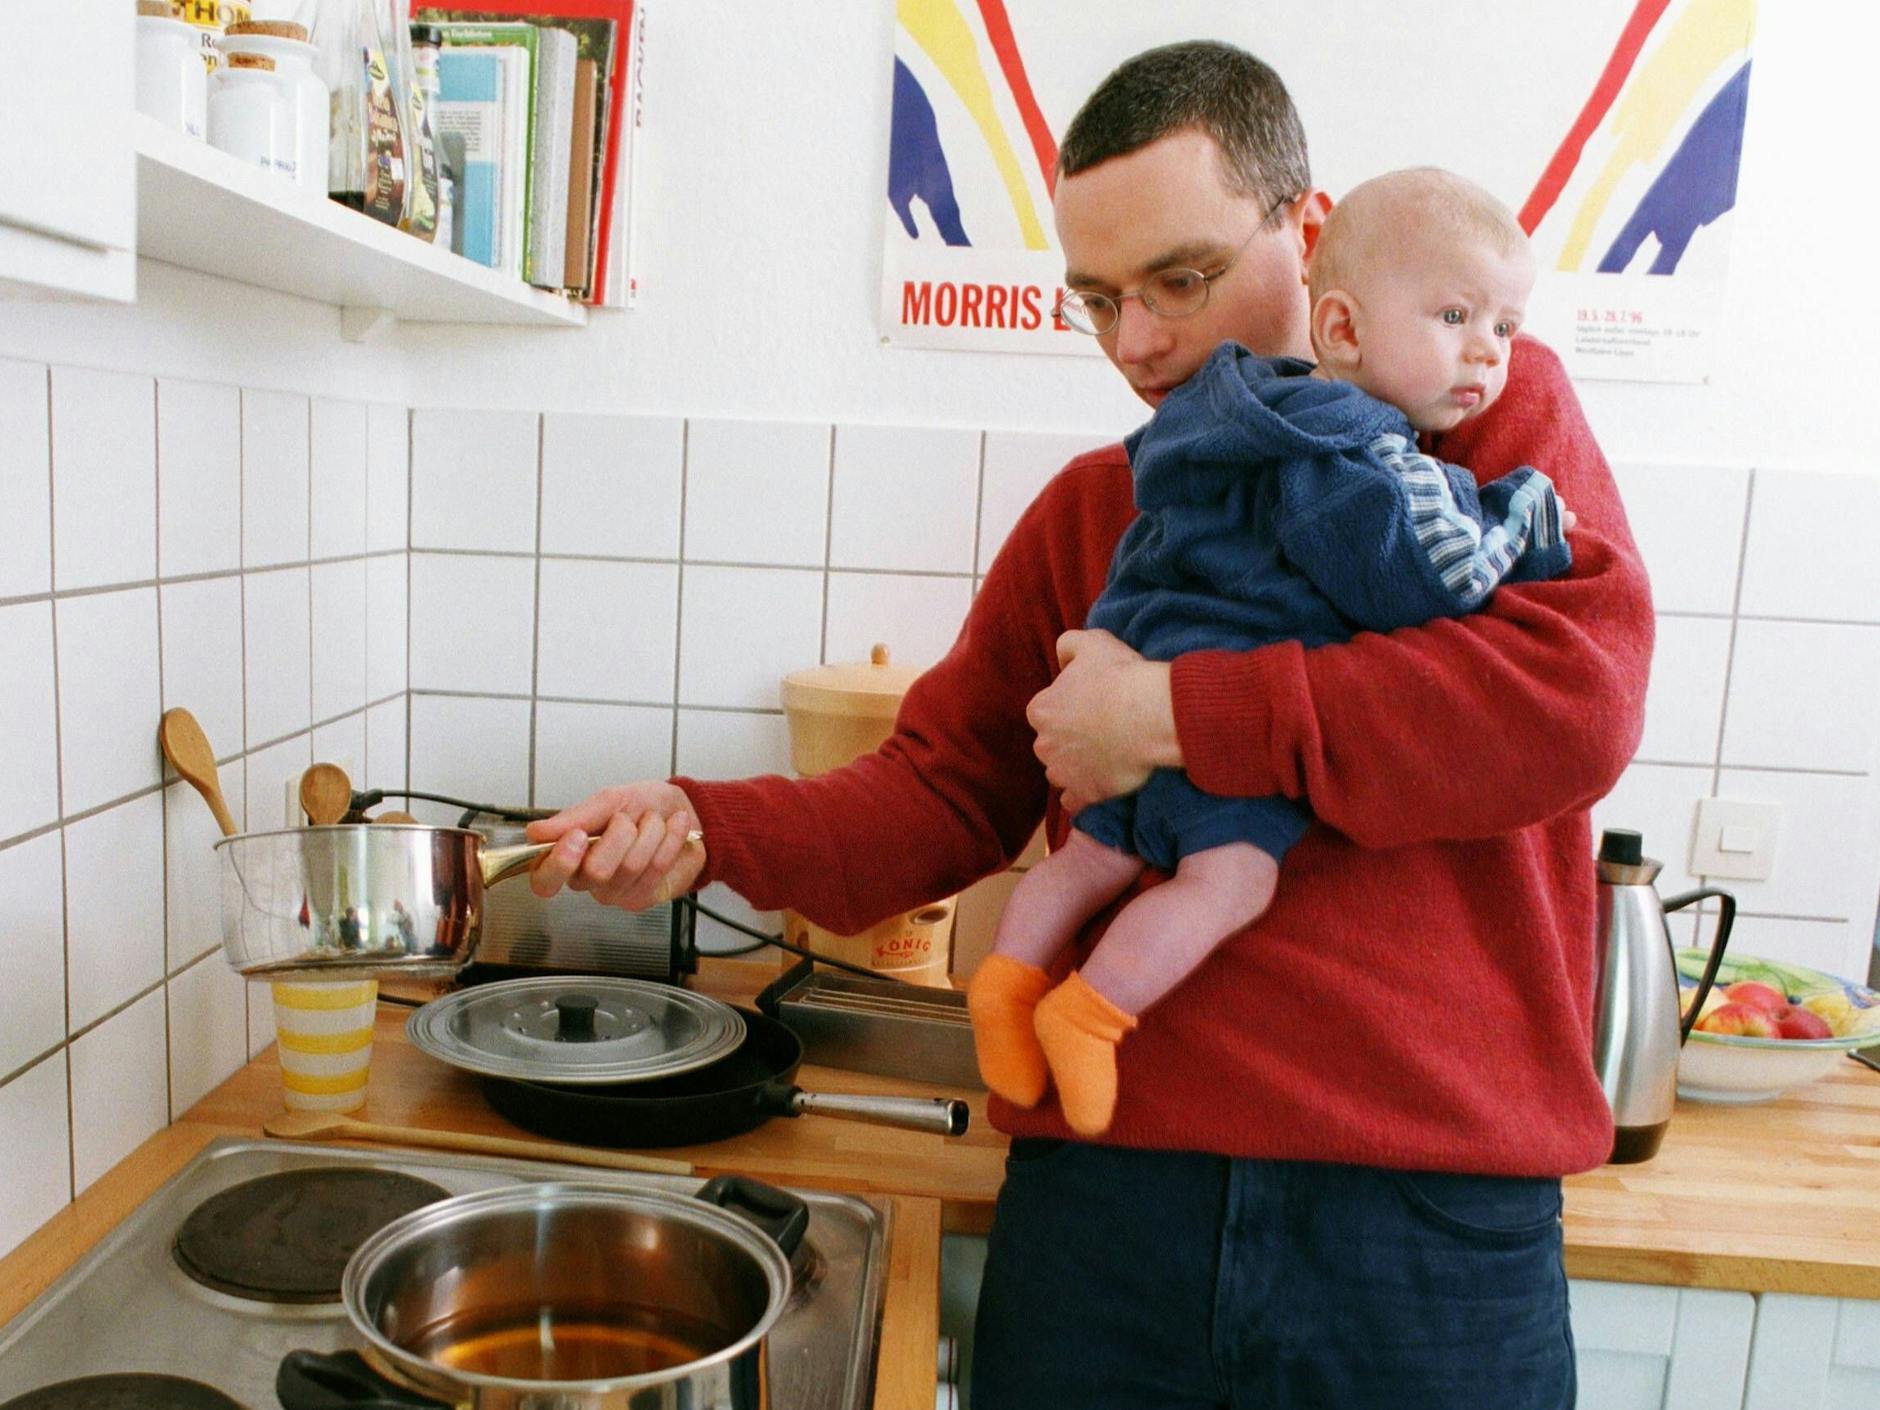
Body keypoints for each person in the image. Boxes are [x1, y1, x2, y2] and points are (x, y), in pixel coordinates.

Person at [527, 40, 1653, 1410]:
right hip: (1108, 1212)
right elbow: (942, 789)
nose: (1137, 344)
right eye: (1100, 299)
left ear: (1309, 236)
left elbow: (1570, 706)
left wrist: (1176, 715)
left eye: (1180, 280)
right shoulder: (1092, 511)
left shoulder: (1480, 418)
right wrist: (711, 823)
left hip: (1425, 1234)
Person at [968, 166, 1572, 1139]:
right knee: (1225, 883)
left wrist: (1132, 700)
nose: (1488, 355)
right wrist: (1520, 513)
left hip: (1129, 671)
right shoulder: (1363, 454)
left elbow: (1566, 708)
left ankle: (1004, 978)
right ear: (1341, 328)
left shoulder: (1211, 419)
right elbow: (1426, 577)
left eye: (1503, 327)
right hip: (1214, 758)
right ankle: (1088, 1010)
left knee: (1088, 859)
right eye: (1455, 316)